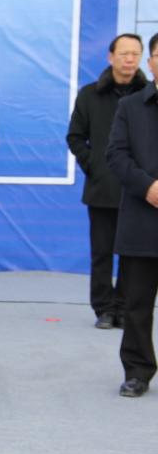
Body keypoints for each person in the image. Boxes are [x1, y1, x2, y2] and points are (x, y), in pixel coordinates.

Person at [67, 33, 148, 329]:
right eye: (124, 53)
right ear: (110, 57)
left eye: (135, 54)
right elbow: (75, 136)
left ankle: (124, 308)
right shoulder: (90, 94)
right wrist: (95, 166)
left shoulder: (148, 96)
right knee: (101, 253)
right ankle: (103, 308)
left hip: (139, 190)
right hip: (103, 188)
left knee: (132, 254)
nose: (130, 59)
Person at [106, 31, 158, 398]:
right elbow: (116, 154)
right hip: (143, 216)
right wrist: (148, 186)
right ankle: (137, 371)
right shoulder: (131, 106)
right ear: (150, 61)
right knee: (137, 304)